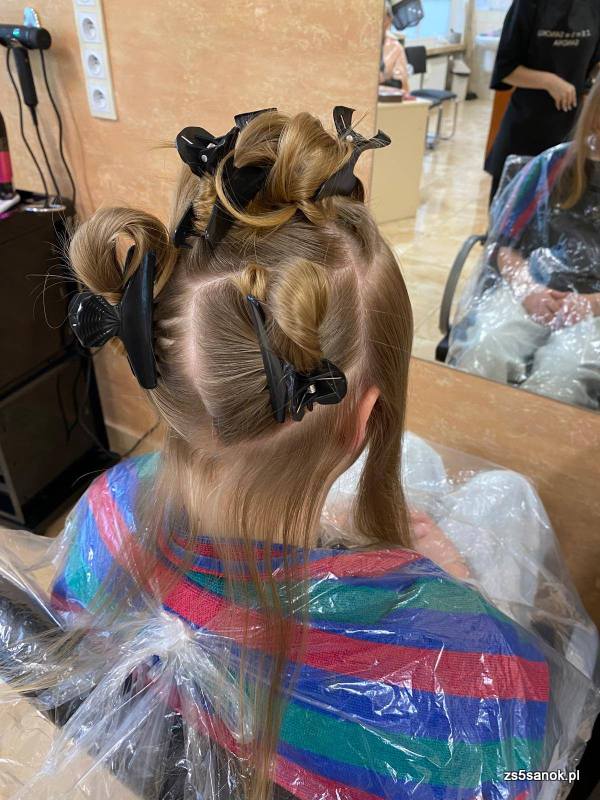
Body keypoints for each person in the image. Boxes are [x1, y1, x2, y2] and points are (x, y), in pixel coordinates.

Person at [0, 108, 595, 799]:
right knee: (505, 496)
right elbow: (534, 776)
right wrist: (462, 597)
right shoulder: (471, 676)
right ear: (365, 418)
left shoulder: (102, 511)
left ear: (164, 376)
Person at [449, 79, 600, 409]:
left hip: (596, 309)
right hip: (532, 287)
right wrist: (529, 289)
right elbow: (505, 245)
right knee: (483, 351)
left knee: (562, 382)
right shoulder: (553, 166)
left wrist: (590, 304)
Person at [486, 0, 600, 201]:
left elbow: (592, 71)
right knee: (511, 211)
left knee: (560, 211)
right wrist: (549, 82)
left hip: (570, 132)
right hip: (525, 128)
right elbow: (505, 70)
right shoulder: (528, 4)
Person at [380, 0, 410, 91]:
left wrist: (382, 79)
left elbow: (399, 83)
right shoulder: (357, 45)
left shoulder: (395, 47)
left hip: (386, 96)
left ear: (389, 19)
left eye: (382, 18)